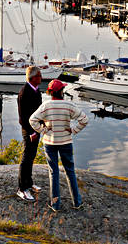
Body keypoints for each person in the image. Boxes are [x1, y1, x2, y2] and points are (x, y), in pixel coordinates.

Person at [30, 79, 88, 211]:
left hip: (50, 143)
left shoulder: (46, 105)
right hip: (66, 142)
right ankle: (77, 202)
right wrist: (73, 130)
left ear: (51, 92)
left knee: (53, 172)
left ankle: (55, 204)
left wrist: (43, 130)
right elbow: (84, 119)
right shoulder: (68, 105)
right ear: (61, 91)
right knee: (70, 171)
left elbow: (32, 120)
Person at [16, 66, 43, 201]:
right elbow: (22, 117)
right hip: (29, 130)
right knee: (26, 158)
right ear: (32, 78)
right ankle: (21, 189)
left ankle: (29, 183)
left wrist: (42, 127)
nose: (41, 77)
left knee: (32, 157)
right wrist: (32, 132)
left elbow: (40, 112)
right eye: (39, 75)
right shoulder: (24, 92)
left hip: (37, 129)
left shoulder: (37, 91)